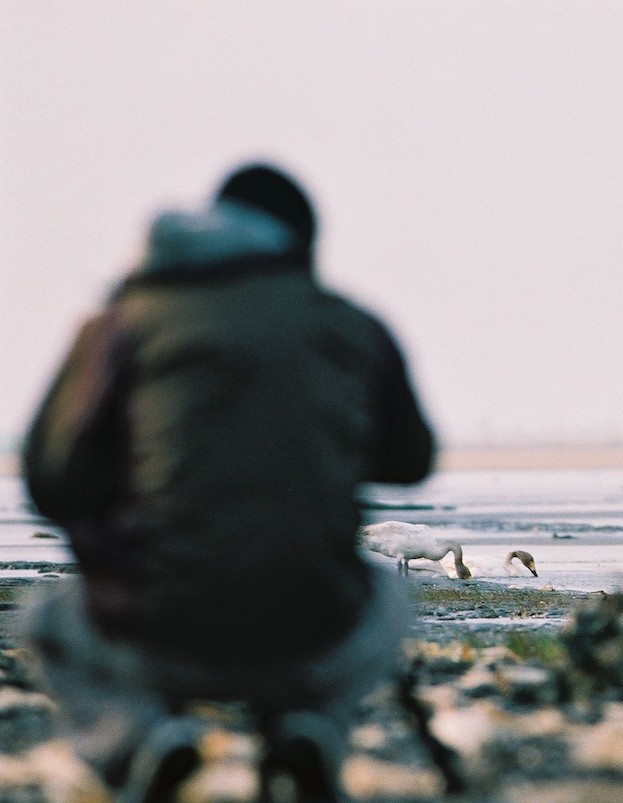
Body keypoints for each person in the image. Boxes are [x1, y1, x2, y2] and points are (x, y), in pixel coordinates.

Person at [20, 162, 436, 802]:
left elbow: (50, 481)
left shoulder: (124, 321)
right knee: (389, 594)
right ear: (300, 244)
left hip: (161, 630)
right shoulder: (351, 325)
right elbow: (411, 460)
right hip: (312, 628)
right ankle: (311, 723)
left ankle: (140, 741)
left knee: (44, 619)